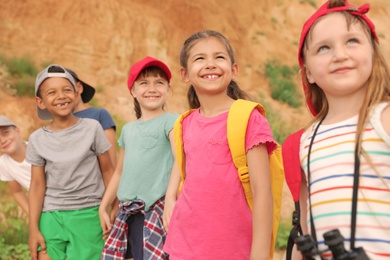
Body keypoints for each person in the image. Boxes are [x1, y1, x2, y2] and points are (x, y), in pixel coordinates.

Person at [162, 30, 277, 260]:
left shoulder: (249, 118)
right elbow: (183, 168)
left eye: (219, 57)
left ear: (234, 70)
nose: (210, 64)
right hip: (183, 247)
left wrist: (260, 255)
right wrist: (169, 200)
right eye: (200, 58)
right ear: (185, 74)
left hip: (233, 251)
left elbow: (263, 193)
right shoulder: (184, 123)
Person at [288, 0, 390, 259]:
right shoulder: (305, 142)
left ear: (373, 53)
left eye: (352, 41)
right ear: (308, 72)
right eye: (324, 47)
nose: (340, 54)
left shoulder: (385, 119)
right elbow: (306, 228)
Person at [26, 64, 114, 260]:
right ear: (41, 102)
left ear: (76, 93)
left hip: (89, 213)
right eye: (52, 92)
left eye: (67, 90)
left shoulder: (93, 128)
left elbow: (108, 171)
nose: (61, 96)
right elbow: (37, 185)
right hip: (51, 215)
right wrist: (33, 228)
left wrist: (114, 207)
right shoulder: (37, 139)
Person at [99, 56, 178, 260]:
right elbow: (119, 171)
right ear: (133, 91)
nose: (152, 88)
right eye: (144, 83)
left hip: (158, 212)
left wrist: (171, 199)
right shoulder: (128, 130)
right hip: (130, 214)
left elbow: (181, 161)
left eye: (159, 82)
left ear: (168, 89)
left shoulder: (172, 122)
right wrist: (104, 206)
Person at [65, 68, 117, 167]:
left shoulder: (99, 115)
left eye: (67, 88)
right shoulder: (59, 123)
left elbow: (111, 163)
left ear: (79, 87)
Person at [0, 115, 30, 215]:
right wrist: (32, 215)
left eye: (6, 133)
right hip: (45, 209)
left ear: (18, 132)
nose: (2, 140)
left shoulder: (38, 148)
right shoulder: (3, 164)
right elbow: (17, 192)